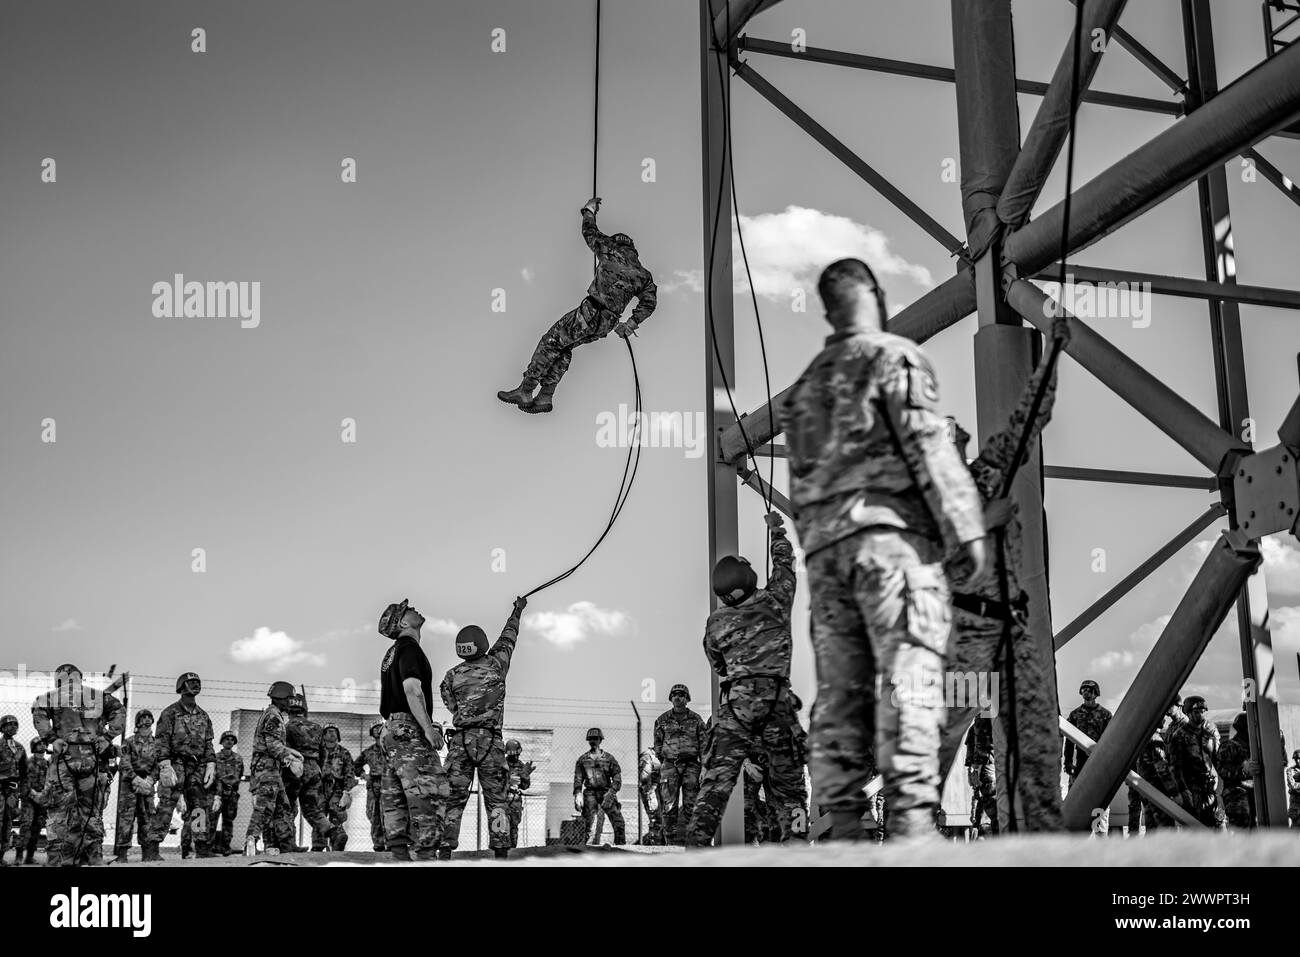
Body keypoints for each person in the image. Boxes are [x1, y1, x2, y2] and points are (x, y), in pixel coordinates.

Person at [781, 258, 989, 840]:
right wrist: (965, 526)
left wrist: (819, 548)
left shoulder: (805, 390)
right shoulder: (892, 355)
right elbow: (929, 445)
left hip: (826, 557)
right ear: (875, 291)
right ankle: (912, 823)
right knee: (910, 678)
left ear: (826, 310)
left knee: (839, 690)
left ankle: (843, 820)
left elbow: (800, 489)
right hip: (890, 545)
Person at [937, 313, 1070, 832]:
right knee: (938, 743)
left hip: (1012, 630)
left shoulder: (989, 473)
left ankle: (1041, 843)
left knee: (1037, 740)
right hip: (965, 633)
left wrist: (1051, 357)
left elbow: (1027, 420)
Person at [689, 512, 807, 845]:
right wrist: (776, 533)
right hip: (777, 705)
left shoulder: (716, 622)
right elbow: (784, 566)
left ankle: (695, 850)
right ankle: (797, 849)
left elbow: (718, 664)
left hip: (737, 708)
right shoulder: (776, 601)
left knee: (715, 786)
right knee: (789, 789)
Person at [497, 197, 657, 414]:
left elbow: (589, 232)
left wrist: (589, 210)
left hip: (590, 312)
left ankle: (526, 390)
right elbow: (649, 303)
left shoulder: (610, 249)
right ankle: (545, 396)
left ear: (618, 243)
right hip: (606, 324)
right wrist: (629, 324)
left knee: (551, 341)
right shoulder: (643, 275)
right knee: (564, 347)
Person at [439, 597, 527, 860]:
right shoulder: (497, 665)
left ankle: (444, 850)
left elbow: (451, 706)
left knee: (453, 797)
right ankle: (500, 852)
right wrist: (517, 610)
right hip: (491, 742)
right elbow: (509, 637)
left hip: (461, 741)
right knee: (497, 799)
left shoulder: (451, 676)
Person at [31, 664, 127, 866]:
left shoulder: (53, 697)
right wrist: (108, 737)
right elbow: (119, 711)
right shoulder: (97, 697)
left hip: (64, 760)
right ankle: (93, 858)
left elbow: (38, 710)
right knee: (90, 811)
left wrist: (51, 738)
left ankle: (58, 860)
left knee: (58, 812)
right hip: (91, 759)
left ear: (58, 679)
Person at [378, 598, 449, 861]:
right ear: (404, 622)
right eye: (407, 610)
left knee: (394, 793)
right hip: (408, 729)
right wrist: (429, 730)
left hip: (390, 729)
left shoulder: (392, 652)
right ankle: (427, 855)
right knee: (429, 791)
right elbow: (411, 689)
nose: (414, 608)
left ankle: (399, 854)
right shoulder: (409, 648)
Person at [243, 681, 303, 856]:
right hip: (267, 768)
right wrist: (292, 757)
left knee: (282, 806)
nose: (291, 702)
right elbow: (273, 746)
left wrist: (290, 754)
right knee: (265, 807)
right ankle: (251, 840)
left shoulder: (273, 714)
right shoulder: (273, 717)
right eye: (289, 699)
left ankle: (285, 845)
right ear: (281, 698)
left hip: (270, 768)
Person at [281, 694, 344, 851]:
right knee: (311, 807)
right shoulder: (316, 727)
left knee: (287, 806)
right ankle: (334, 831)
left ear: (289, 710)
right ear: (303, 710)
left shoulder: (287, 727)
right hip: (314, 768)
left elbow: (283, 751)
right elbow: (323, 752)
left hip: (295, 768)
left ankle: (288, 844)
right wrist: (317, 767)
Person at [654, 683, 707, 845]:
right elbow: (657, 745)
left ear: (687, 698)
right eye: (675, 694)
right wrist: (666, 762)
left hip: (692, 766)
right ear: (671, 698)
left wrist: (704, 767)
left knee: (692, 806)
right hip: (670, 766)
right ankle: (670, 842)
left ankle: (693, 843)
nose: (678, 697)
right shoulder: (662, 720)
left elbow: (704, 745)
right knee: (669, 807)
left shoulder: (696, 720)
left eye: (681, 694)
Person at [1168, 695, 1227, 831]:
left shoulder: (1210, 732)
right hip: (1191, 789)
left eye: (1203, 711)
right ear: (1188, 713)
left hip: (1210, 787)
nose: (1200, 715)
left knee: (1217, 825)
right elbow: (1175, 767)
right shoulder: (1180, 735)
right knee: (1195, 828)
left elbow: (1218, 760)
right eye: (1196, 712)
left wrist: (1222, 787)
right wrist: (1183, 791)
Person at [112, 710, 160, 862]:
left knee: (147, 818)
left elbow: (159, 764)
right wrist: (135, 779)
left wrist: (150, 780)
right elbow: (124, 762)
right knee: (126, 818)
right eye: (143, 718)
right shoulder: (129, 741)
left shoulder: (157, 743)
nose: (146, 720)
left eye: (149, 717)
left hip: (147, 784)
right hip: (130, 785)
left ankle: (148, 854)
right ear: (137, 722)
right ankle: (122, 854)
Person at [573, 728, 625, 845]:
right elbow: (578, 779)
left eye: (595, 738)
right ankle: (582, 849)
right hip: (590, 793)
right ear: (588, 740)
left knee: (618, 822)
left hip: (606, 792)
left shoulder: (609, 759)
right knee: (587, 823)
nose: (593, 741)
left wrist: (611, 793)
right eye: (590, 739)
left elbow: (617, 778)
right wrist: (577, 794)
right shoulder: (583, 760)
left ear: (600, 740)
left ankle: (621, 848)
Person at [1129, 732, 1179, 835]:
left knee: (1151, 830)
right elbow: (1162, 769)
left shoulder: (1140, 736)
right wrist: (1174, 792)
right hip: (1159, 794)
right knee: (1166, 831)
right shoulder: (1154, 738)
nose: (1164, 720)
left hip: (1147, 792)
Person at [318, 725, 356, 851]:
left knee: (337, 816)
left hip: (337, 789)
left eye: (334, 731)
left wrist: (347, 792)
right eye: (328, 732)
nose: (332, 733)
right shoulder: (317, 752)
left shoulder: (344, 753)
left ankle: (337, 846)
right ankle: (318, 847)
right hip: (320, 789)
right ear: (323, 736)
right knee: (319, 817)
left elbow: (350, 773)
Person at [1216, 712, 1256, 831]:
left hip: (1255, 791)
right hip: (1237, 793)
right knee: (1241, 828)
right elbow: (1222, 770)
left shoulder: (1256, 745)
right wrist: (1243, 770)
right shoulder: (1229, 746)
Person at [353, 722, 388, 852]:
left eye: (380, 728)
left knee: (390, 815)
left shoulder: (391, 749)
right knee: (374, 815)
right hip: (374, 785)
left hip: (390, 784)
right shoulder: (368, 751)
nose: (377, 730)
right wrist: (363, 775)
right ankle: (378, 844)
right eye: (375, 729)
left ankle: (392, 843)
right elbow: (355, 766)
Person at [0, 714, 27, 866]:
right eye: (9, 724)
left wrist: (22, 792)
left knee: (8, 823)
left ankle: (1, 856)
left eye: (15, 724)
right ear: (2, 728)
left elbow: (24, 772)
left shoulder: (20, 748)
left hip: (12, 792)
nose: (13, 727)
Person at [212, 732, 244, 855]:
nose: (229, 741)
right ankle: (210, 846)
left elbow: (239, 775)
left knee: (228, 821)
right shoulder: (215, 757)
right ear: (222, 741)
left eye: (232, 739)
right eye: (226, 739)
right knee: (212, 820)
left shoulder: (238, 758)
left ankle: (226, 846)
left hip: (231, 794)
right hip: (217, 794)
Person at [965, 717, 997, 835]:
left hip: (986, 764)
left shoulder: (976, 725)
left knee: (986, 799)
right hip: (989, 764)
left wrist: (972, 768)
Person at [503, 739, 533, 849]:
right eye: (513, 755)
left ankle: (512, 851)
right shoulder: (502, 764)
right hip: (503, 800)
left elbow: (525, 786)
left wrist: (525, 776)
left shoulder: (521, 765)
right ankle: (501, 851)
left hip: (515, 801)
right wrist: (509, 782)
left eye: (517, 754)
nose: (516, 757)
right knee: (501, 827)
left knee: (513, 828)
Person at [637, 745, 664, 845]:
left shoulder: (665, 754)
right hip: (651, 790)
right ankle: (655, 844)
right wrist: (649, 796)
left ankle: (659, 843)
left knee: (663, 819)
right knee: (656, 819)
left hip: (661, 790)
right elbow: (644, 778)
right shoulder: (647, 755)